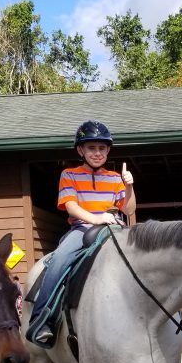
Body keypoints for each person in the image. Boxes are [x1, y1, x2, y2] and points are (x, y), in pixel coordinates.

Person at [25, 120, 135, 347]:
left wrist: (129, 186)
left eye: (102, 148)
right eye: (91, 148)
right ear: (80, 150)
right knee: (59, 260)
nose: (97, 153)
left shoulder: (115, 178)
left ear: (108, 150)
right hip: (82, 229)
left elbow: (128, 209)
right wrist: (97, 218)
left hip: (114, 228)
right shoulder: (69, 174)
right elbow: (71, 206)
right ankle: (42, 320)